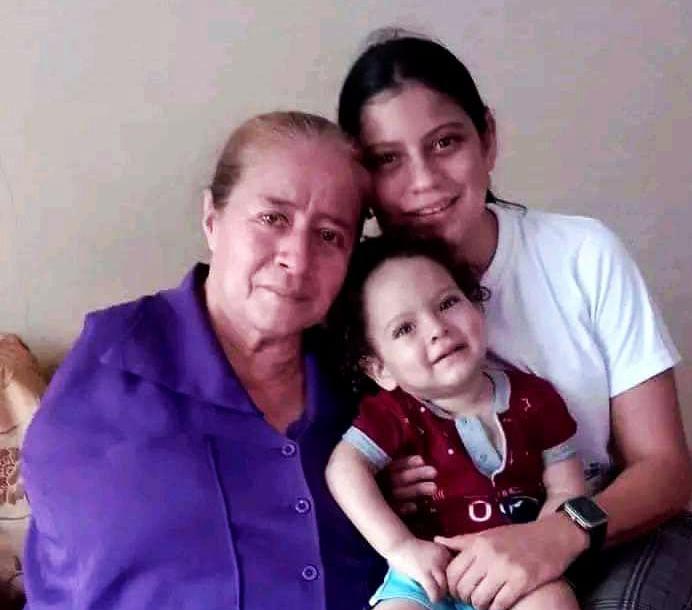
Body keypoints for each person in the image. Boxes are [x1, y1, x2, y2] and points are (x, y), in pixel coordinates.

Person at [337, 33, 692, 610]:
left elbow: (666, 471)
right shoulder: (355, 298)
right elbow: (351, 459)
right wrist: (391, 489)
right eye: (387, 159)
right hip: (448, 558)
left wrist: (555, 536)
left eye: (445, 142)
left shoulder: (582, 255)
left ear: (488, 137)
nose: (424, 180)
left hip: (610, 529)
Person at [21, 111, 384, 610]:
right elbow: (81, 577)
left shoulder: (362, 379)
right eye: (273, 218)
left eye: (329, 235)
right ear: (213, 218)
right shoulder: (115, 365)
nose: (297, 259)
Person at [326, 237, 583, 610]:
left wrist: (539, 543)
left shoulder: (536, 398)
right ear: (380, 369)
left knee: (553, 602)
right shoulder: (391, 413)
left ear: (477, 306)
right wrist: (400, 547)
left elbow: (567, 490)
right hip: (425, 578)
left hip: (517, 572)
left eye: (447, 303)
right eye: (404, 328)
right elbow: (344, 468)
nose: (436, 328)